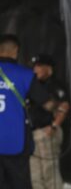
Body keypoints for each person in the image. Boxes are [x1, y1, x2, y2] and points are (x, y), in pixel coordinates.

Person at [0, 34, 52, 189]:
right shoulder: (25, 75)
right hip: (16, 142)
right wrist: (59, 107)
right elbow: (47, 103)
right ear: (15, 51)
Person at [27, 54, 70, 189]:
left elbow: (64, 106)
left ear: (48, 67)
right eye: (34, 66)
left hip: (47, 132)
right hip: (32, 133)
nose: (35, 69)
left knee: (49, 172)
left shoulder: (55, 85)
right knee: (35, 174)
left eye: (39, 66)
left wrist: (53, 126)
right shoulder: (33, 85)